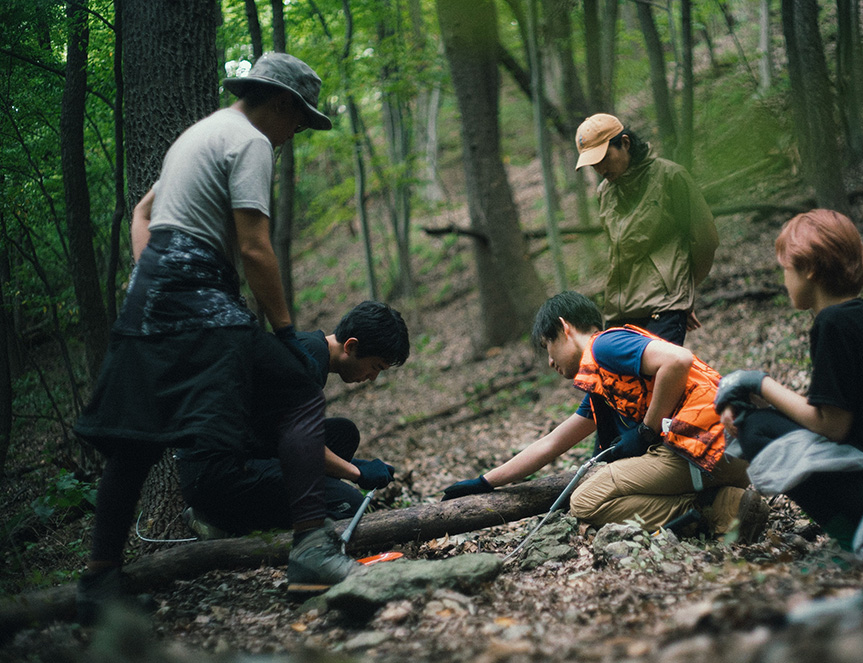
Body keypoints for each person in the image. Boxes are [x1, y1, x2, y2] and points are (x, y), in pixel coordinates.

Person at [74, 53, 358, 621]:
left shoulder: (195, 135)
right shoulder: (250, 140)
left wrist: (153, 277)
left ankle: (100, 584)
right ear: (280, 103)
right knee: (298, 391)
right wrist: (282, 330)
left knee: (135, 440)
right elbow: (254, 247)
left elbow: (145, 211)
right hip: (202, 299)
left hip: (149, 299)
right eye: (297, 123)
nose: (291, 137)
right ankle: (311, 549)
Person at [713, 209, 863, 557]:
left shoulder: (834, 324)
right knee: (762, 420)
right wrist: (762, 396)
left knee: (756, 429)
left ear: (809, 269)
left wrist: (758, 382)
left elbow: (833, 427)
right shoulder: (855, 315)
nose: (784, 281)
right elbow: (834, 409)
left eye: (786, 269)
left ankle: (855, 545)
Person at [441, 291, 769, 542]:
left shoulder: (604, 346)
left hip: (708, 447)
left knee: (584, 501)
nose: (550, 362)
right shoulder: (604, 382)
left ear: (564, 328)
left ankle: (714, 510)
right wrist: (485, 482)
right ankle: (728, 502)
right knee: (601, 486)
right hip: (728, 453)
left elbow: (678, 359)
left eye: (547, 346)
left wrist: (646, 430)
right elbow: (552, 443)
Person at [177, 301, 410, 539]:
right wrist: (358, 474)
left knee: (343, 433)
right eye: (374, 366)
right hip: (218, 475)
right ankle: (224, 522)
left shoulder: (310, 350)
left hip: (244, 453)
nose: (373, 378)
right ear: (351, 346)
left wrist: (356, 464)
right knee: (348, 505)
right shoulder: (305, 361)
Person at [575, 113, 719, 346]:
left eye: (604, 158)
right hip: (619, 314)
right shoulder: (604, 193)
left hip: (664, 307)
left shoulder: (670, 177)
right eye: (593, 164)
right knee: (622, 382)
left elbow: (706, 239)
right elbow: (619, 255)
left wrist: (683, 293)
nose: (600, 169)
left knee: (657, 379)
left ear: (625, 143)